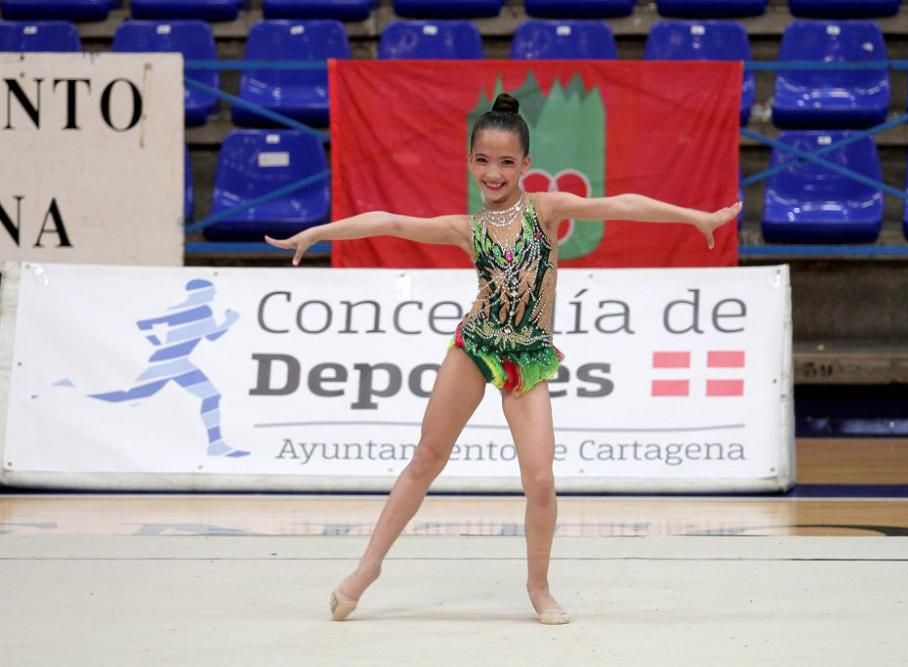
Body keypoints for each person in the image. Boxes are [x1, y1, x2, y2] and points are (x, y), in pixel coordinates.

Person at [265, 93, 742, 625]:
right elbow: (390, 222)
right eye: (484, 161)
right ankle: (366, 569)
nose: (494, 173)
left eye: (507, 162)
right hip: (476, 346)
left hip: (529, 357)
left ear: (526, 165)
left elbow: (623, 204)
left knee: (540, 481)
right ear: (470, 162)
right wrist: (318, 232)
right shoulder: (467, 228)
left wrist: (695, 217)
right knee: (427, 458)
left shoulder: (546, 209)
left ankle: (539, 589)